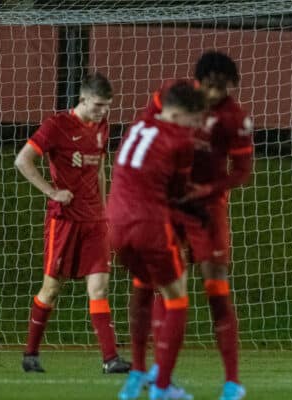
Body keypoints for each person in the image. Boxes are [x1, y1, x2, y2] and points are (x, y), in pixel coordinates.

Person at [145, 51, 252, 400]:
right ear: (198, 81)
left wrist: (207, 189)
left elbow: (242, 172)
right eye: (211, 86)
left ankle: (232, 381)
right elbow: (147, 133)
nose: (217, 94)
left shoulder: (234, 117)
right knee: (169, 287)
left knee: (217, 288)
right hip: (171, 205)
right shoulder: (173, 96)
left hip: (208, 207)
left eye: (224, 87)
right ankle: (163, 376)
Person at [15, 72, 131, 373]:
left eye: (107, 106)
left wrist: (106, 211)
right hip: (64, 220)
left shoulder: (102, 127)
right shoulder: (56, 126)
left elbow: (101, 168)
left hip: (94, 221)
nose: (103, 112)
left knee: (100, 288)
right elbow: (22, 160)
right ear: (82, 100)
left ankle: (110, 359)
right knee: (51, 289)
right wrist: (52, 191)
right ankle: (30, 353)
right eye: (97, 106)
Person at [109, 80, 205, 400]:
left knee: (143, 285)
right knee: (177, 296)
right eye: (194, 118)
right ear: (181, 113)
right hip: (148, 223)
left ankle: (137, 372)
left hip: (115, 224)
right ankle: (163, 387)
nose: (195, 126)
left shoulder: (139, 126)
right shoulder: (179, 141)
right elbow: (179, 195)